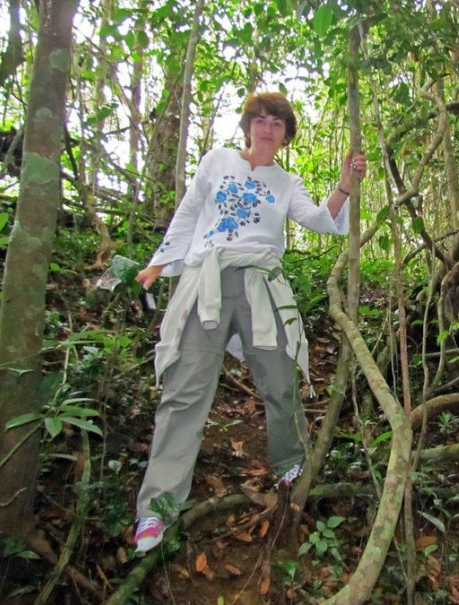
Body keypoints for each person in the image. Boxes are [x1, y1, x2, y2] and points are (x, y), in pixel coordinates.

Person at [132, 91, 366, 553]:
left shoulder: (287, 182)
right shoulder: (217, 161)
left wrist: (344, 185)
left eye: (277, 122)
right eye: (260, 119)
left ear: (285, 135)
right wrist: (159, 264)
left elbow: (321, 220)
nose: (267, 127)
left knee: (281, 379)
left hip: (261, 284)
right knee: (185, 392)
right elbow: (189, 213)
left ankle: (291, 470)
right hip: (207, 282)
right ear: (247, 125)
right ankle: (156, 509)